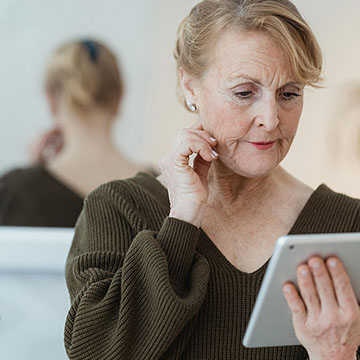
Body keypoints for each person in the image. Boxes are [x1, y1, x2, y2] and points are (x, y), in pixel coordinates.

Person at [64, 1, 360, 359]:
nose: (270, 118)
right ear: (189, 86)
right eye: (244, 93)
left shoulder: (347, 225)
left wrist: (336, 355)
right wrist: (182, 219)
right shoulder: (118, 209)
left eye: (289, 94)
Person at [0, 38, 140, 227]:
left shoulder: (14, 193)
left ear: (51, 99)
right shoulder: (164, 189)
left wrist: (30, 177)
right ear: (120, 97)